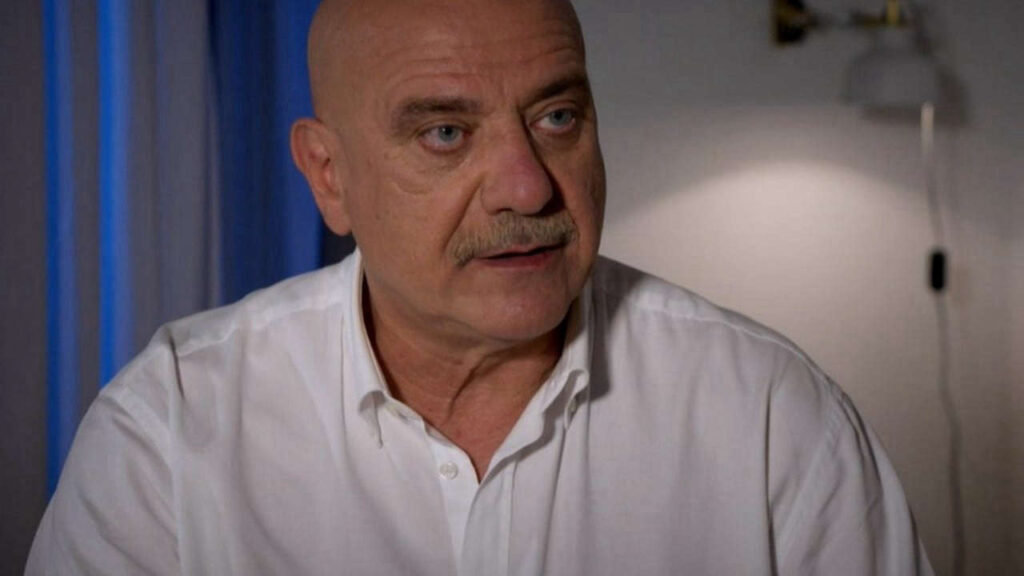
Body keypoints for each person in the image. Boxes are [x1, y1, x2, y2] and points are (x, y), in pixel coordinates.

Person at [27, 0, 934, 574]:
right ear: (329, 177)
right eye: (446, 134)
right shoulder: (169, 429)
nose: (529, 187)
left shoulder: (769, 413)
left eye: (558, 116)